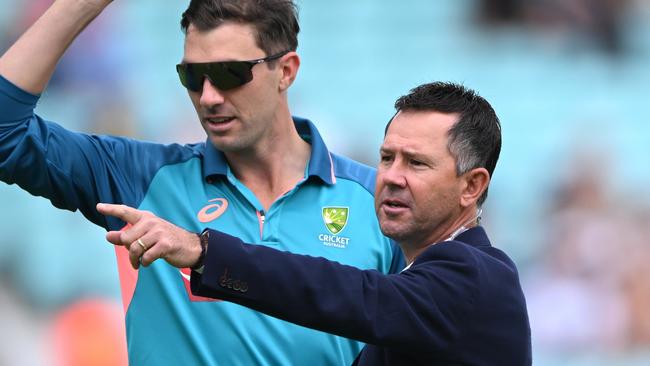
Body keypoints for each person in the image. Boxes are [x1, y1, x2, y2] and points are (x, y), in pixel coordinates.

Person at [0, 0, 402, 364]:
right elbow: (5, 129)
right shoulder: (141, 178)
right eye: (192, 76)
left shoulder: (378, 201)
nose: (208, 97)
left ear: (286, 71)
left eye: (229, 73)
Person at [98, 81, 533, 365]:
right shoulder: (425, 282)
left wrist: (204, 251)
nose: (392, 176)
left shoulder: (474, 275)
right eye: (386, 157)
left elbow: (347, 294)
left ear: (471, 187)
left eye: (416, 163)